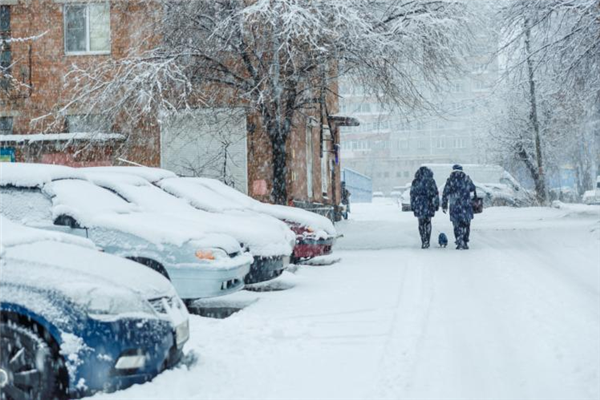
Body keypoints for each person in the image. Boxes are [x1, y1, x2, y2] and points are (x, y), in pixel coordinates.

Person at [442, 164, 477, 250]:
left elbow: (445, 193)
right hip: (466, 205)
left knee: (456, 224)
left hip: (455, 206)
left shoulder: (450, 180)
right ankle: (465, 241)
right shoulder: (466, 179)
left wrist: (444, 204)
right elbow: (473, 188)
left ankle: (459, 240)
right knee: (466, 224)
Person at [410, 166, 440, 249]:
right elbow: (435, 193)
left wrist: (412, 205)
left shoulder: (416, 181)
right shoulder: (431, 181)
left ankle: (423, 240)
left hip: (418, 204)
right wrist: (436, 204)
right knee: (428, 222)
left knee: (421, 223)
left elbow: (412, 195)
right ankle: (427, 240)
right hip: (429, 204)